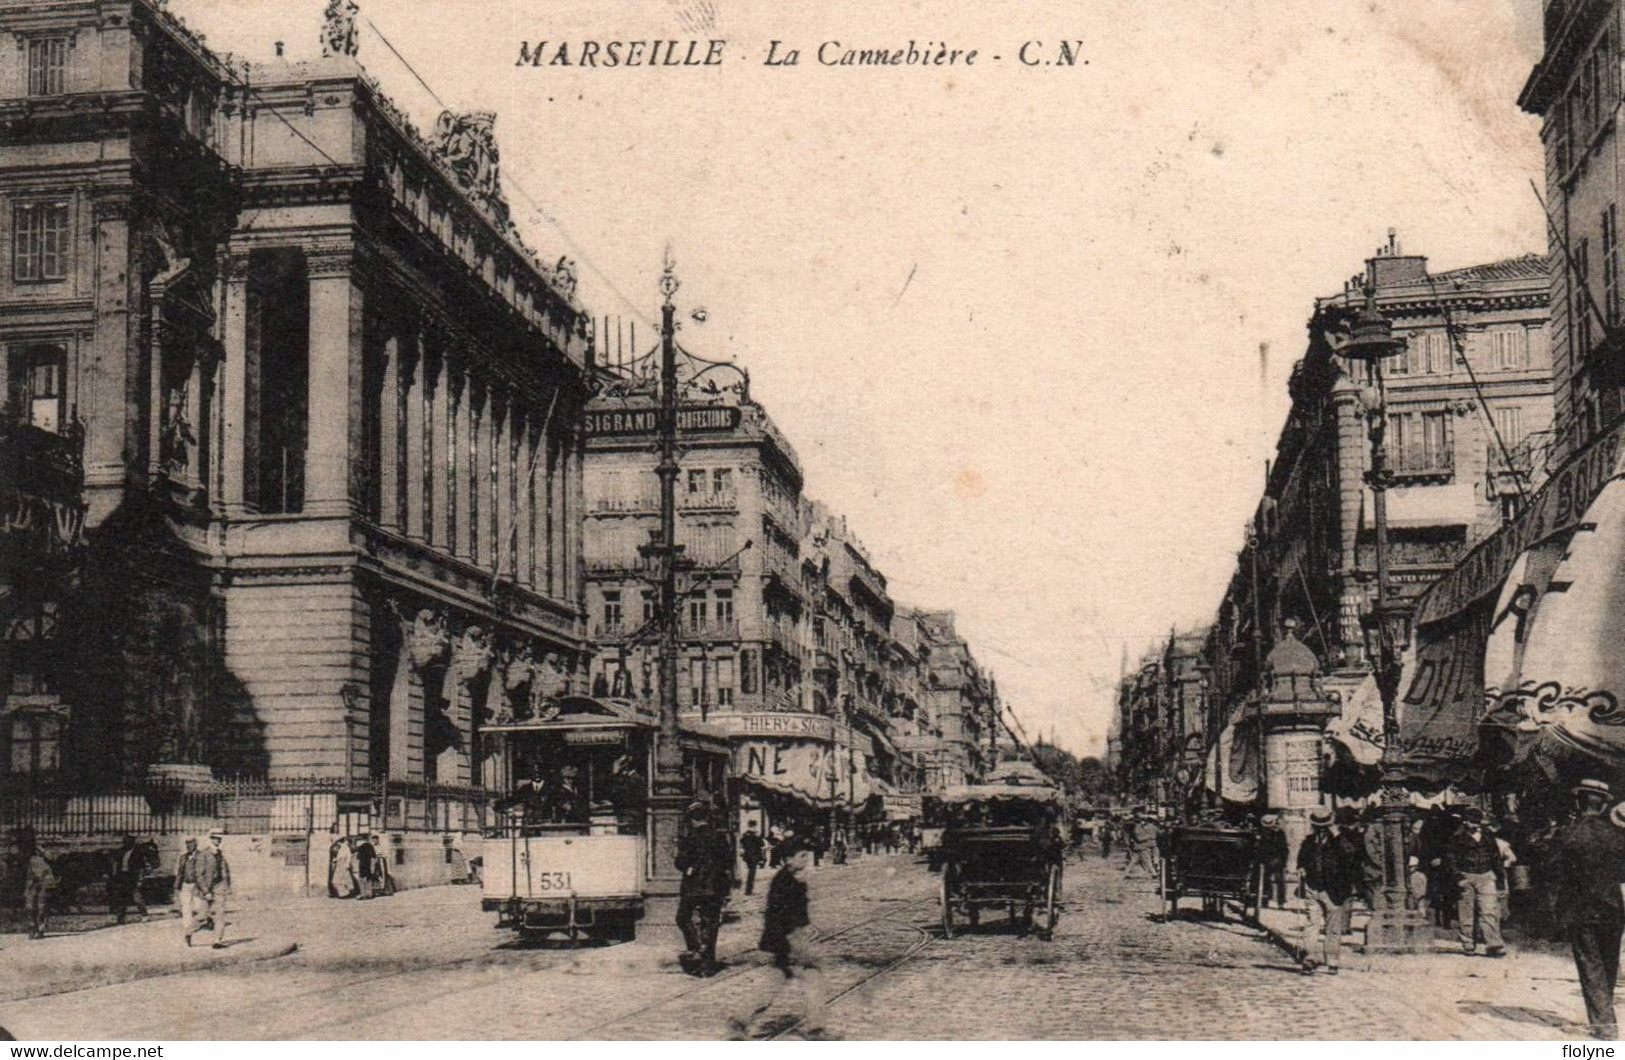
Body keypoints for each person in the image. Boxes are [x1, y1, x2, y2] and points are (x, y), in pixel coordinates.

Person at [728, 841, 828, 1040]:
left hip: (782, 941)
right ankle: (816, 1029)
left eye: (806, 856)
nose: (805, 860)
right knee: (813, 980)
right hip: (789, 940)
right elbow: (785, 916)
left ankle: (740, 1020)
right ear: (788, 859)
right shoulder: (787, 882)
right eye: (801, 856)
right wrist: (797, 943)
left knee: (773, 984)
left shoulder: (787, 879)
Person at [1550, 779, 1625, 1039]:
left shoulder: (1565, 833)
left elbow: (1552, 872)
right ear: (1604, 804)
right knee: (1608, 964)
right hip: (1613, 907)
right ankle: (1605, 1016)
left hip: (1578, 908)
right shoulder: (1617, 835)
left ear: (1578, 801)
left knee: (1590, 964)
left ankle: (1605, 1026)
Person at [1296, 806, 1360, 975]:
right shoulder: (1309, 841)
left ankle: (1332, 960)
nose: (1320, 829)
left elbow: (1351, 855)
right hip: (1313, 887)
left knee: (1333, 928)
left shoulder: (1342, 839)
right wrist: (1301, 868)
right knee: (1311, 924)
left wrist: (1337, 836)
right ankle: (1310, 958)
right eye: (1318, 826)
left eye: (1323, 826)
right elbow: (1301, 858)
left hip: (1334, 890)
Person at [675, 802, 733, 976]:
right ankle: (708, 966)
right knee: (711, 923)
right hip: (715, 888)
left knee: (682, 918)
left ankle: (696, 946)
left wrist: (686, 865)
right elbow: (728, 862)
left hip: (693, 888)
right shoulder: (720, 838)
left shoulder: (690, 838)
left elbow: (681, 862)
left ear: (692, 820)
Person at [1448, 807, 1505, 957]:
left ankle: (1493, 944)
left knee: (1489, 911)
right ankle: (1468, 943)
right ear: (1465, 821)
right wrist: (1458, 878)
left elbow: (1496, 857)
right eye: (1471, 822)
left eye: (1477, 822)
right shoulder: (1456, 837)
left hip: (1486, 876)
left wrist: (1500, 880)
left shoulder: (1488, 836)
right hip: (1466, 876)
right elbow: (1451, 859)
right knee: (1466, 912)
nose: (1475, 825)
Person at [195, 831, 232, 949]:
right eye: (215, 838)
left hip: (220, 887)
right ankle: (189, 932)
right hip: (208, 889)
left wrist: (227, 885)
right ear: (210, 839)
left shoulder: (220, 854)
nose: (217, 841)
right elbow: (198, 875)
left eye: (219, 839)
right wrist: (205, 891)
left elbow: (225, 870)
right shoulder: (204, 854)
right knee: (203, 916)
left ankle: (217, 941)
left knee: (220, 914)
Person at [109, 835, 149, 924]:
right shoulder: (121, 851)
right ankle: (120, 918)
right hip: (122, 877)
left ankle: (144, 915)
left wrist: (140, 880)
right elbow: (114, 862)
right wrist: (115, 874)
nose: (125, 843)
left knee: (137, 898)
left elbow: (141, 868)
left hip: (132, 878)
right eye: (125, 841)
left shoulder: (138, 853)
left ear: (132, 843)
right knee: (122, 898)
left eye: (128, 842)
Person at [22, 836, 54, 940]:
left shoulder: (48, 854)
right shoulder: (29, 854)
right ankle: (32, 929)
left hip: (45, 883)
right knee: (30, 907)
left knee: (42, 907)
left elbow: (51, 858)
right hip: (31, 883)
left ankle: (40, 930)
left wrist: (42, 850)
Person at [1259, 815, 1289, 909]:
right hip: (1275, 859)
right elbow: (1285, 849)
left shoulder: (1264, 833)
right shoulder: (1279, 833)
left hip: (1272, 859)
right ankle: (1279, 902)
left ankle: (1266, 901)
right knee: (1277, 881)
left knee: (1268, 880)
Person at [739, 824, 766, 896]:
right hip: (754, 857)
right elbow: (762, 845)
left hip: (748, 857)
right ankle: (749, 891)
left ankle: (749, 890)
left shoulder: (745, 836)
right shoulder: (755, 837)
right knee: (752, 874)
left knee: (750, 873)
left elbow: (742, 842)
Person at [355, 834, 378, 900]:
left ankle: (363, 894)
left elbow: (358, 858)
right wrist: (373, 866)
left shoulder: (360, 847)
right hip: (368, 864)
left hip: (362, 864)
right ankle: (370, 894)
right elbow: (374, 857)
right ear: (368, 839)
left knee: (362, 879)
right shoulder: (370, 846)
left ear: (362, 839)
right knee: (369, 879)